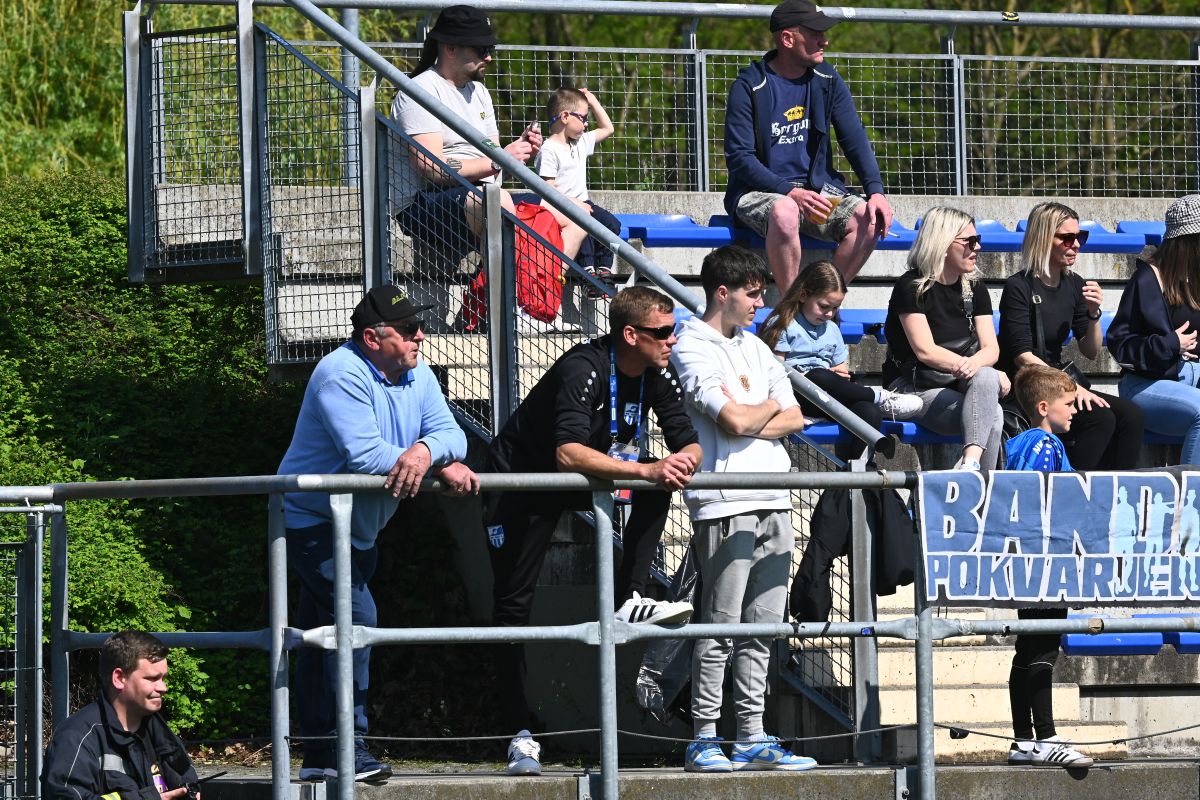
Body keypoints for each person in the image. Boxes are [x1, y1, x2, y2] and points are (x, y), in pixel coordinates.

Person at [486, 286, 702, 776]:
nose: (673, 340)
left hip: (583, 480)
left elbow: (689, 443)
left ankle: (629, 597)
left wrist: (679, 462)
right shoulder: (582, 368)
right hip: (522, 484)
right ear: (630, 334)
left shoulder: (657, 371)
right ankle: (518, 732)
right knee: (513, 608)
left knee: (656, 486)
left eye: (674, 330)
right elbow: (567, 453)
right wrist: (646, 469)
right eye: (663, 331)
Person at [277, 285, 478, 782]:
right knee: (356, 621)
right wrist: (434, 463)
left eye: (419, 326)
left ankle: (320, 757)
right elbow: (364, 455)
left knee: (320, 637)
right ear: (372, 338)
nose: (420, 336)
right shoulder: (339, 373)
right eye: (408, 330)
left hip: (361, 529)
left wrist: (427, 453)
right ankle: (350, 748)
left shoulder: (417, 373)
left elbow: (454, 435)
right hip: (314, 521)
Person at [670, 245, 816, 773]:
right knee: (720, 625)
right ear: (722, 292)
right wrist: (768, 407)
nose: (760, 303)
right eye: (752, 294)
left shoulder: (756, 345)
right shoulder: (690, 344)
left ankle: (752, 735)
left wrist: (759, 412)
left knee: (763, 626)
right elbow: (730, 421)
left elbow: (796, 418)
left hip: (775, 496)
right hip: (725, 501)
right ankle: (704, 736)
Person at [391, 5, 588, 308]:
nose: (489, 57)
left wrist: (519, 150)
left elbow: (492, 163)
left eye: (490, 49)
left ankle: (530, 301)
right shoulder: (418, 91)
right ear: (450, 48)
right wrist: (499, 160)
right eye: (482, 49)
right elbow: (431, 169)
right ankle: (505, 308)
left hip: (479, 195)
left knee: (579, 213)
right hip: (423, 205)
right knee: (500, 203)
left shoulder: (480, 93)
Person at [723, 0, 894, 291]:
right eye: (815, 33)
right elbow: (739, 158)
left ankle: (821, 300)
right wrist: (789, 191)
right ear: (787, 39)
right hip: (759, 193)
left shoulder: (828, 79)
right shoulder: (749, 86)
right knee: (785, 211)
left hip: (816, 192)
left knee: (869, 218)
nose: (824, 40)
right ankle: (792, 306)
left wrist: (876, 191)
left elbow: (854, 137)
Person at [999, 202, 1143, 469]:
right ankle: (1071, 486)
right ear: (1044, 238)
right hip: (1027, 387)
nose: (1076, 244)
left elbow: (1091, 350)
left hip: (1058, 383)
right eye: (1067, 238)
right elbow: (1022, 357)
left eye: (1080, 237)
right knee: (1100, 418)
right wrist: (1072, 387)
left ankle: (1117, 489)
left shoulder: (1075, 284)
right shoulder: (1018, 287)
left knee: (1131, 416)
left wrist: (1093, 313)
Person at [1003, 365, 1095, 769]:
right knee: (1043, 647)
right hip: (1045, 559)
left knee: (1027, 648)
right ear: (1044, 407)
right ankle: (1047, 737)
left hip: (1025, 559)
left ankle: (1023, 741)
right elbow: (1038, 498)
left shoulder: (1020, 442)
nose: (1074, 411)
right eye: (1069, 403)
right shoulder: (1046, 444)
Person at [882, 206, 1010, 470]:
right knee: (994, 412)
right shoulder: (912, 286)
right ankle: (982, 484)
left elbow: (991, 348)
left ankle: (970, 465)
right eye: (969, 241)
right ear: (942, 243)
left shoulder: (975, 287)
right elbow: (925, 351)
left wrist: (977, 368)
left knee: (987, 376)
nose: (977, 247)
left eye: (978, 240)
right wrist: (973, 367)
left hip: (958, 382)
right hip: (914, 386)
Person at [757, 259, 922, 458]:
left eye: (835, 308)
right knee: (818, 376)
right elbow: (776, 372)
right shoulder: (783, 324)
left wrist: (839, 375)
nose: (829, 314)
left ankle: (859, 467)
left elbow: (841, 371)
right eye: (824, 306)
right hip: (796, 396)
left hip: (829, 398)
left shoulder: (832, 329)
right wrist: (821, 376)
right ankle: (879, 397)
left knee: (869, 411)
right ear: (803, 295)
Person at [42, 631, 199, 800]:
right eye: (152, 679)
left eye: (163, 678)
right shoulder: (76, 738)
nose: (163, 688)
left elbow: (186, 778)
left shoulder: (160, 733)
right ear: (119, 678)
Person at [1108, 194, 1200, 464]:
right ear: (1189, 242)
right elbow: (1120, 346)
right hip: (1146, 384)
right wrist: (1170, 344)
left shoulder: (1196, 278)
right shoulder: (1147, 279)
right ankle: (1192, 490)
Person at [535, 87, 620, 298]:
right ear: (565, 116)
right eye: (583, 118)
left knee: (611, 224)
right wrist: (573, 203)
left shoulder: (580, 142)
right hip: (562, 208)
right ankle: (587, 275)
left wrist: (592, 101)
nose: (586, 123)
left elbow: (608, 128)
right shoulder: (549, 150)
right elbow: (547, 189)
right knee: (582, 225)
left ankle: (603, 271)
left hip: (584, 203)